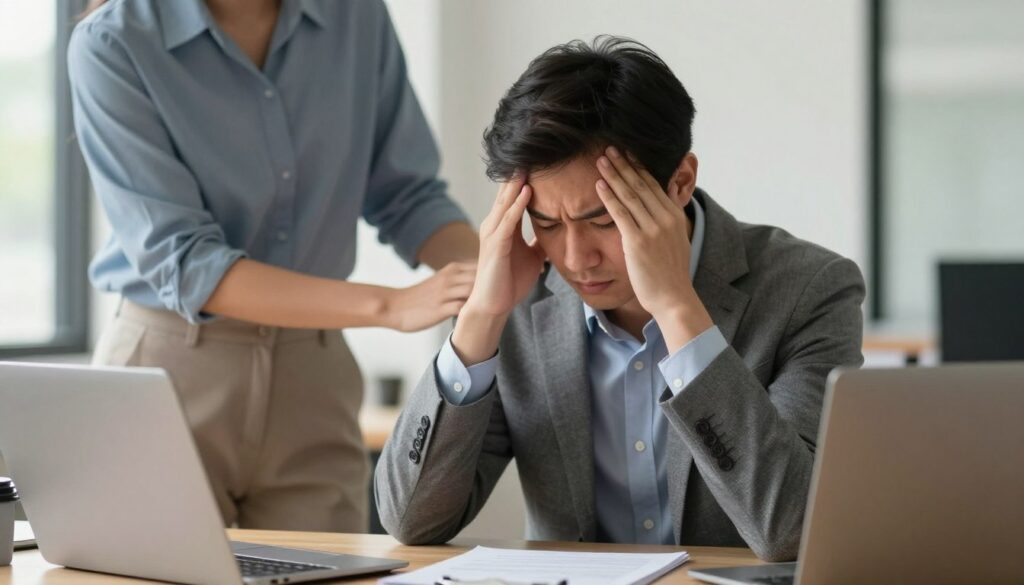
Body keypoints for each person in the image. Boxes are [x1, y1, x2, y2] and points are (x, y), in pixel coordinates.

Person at [374, 36, 865, 561]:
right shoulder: (517, 302)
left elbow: (790, 528)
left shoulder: (811, 289)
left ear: (680, 182)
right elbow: (411, 520)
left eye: (603, 220)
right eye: (546, 224)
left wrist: (679, 311)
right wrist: (480, 320)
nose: (577, 257)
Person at [68, 0, 478, 532]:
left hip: (313, 376)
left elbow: (407, 194)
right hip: (169, 371)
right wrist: (391, 306)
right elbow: (186, 260)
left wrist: (508, 271)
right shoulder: (112, 41)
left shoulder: (357, 17)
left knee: (330, 573)